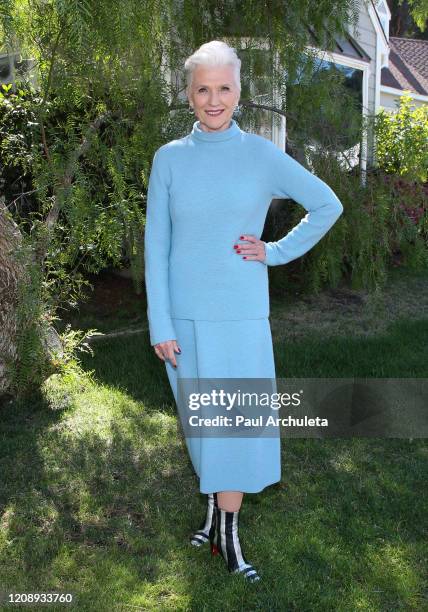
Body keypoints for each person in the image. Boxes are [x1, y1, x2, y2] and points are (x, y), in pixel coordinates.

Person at [144, 40, 343, 582]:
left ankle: (228, 533)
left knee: (233, 425)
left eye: (224, 88)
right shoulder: (169, 159)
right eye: (202, 88)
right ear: (188, 94)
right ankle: (213, 516)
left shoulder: (260, 154)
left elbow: (328, 204)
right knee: (201, 426)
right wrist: (159, 323)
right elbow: (155, 246)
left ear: (240, 91)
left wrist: (273, 251)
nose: (214, 99)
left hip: (240, 318)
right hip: (182, 320)